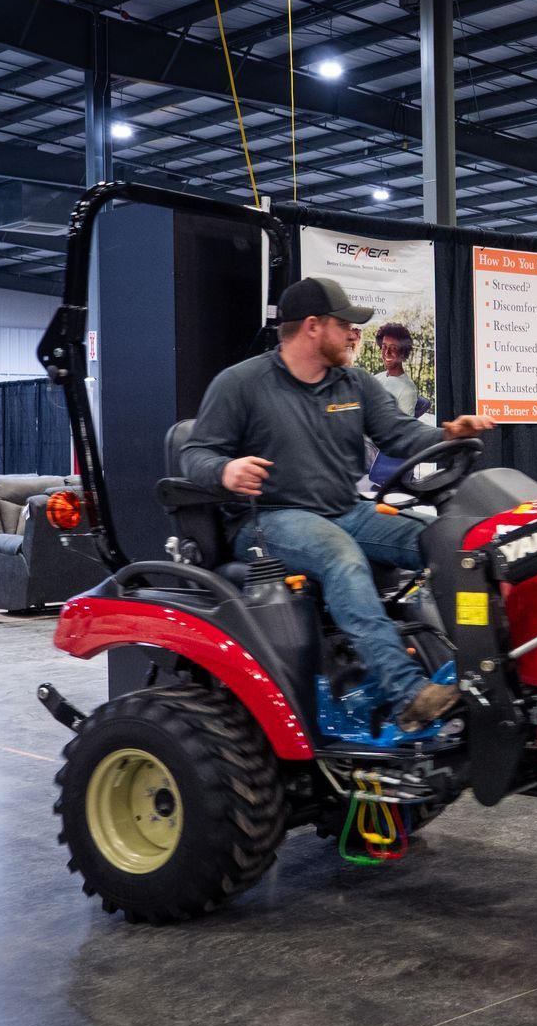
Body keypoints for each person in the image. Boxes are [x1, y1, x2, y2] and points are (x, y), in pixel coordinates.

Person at [180, 276, 493, 730]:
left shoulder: (354, 383)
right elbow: (195, 455)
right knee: (339, 555)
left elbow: (399, 434)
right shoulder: (240, 384)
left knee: (450, 541)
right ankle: (408, 694)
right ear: (313, 326)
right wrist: (225, 470)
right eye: (345, 325)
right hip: (268, 520)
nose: (353, 334)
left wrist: (447, 434)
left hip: (346, 511)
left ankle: (489, 671)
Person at [374, 321, 430, 419]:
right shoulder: (377, 378)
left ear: (402, 352)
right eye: (384, 347)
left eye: (393, 348)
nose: (387, 352)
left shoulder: (407, 390)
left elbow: (404, 427)